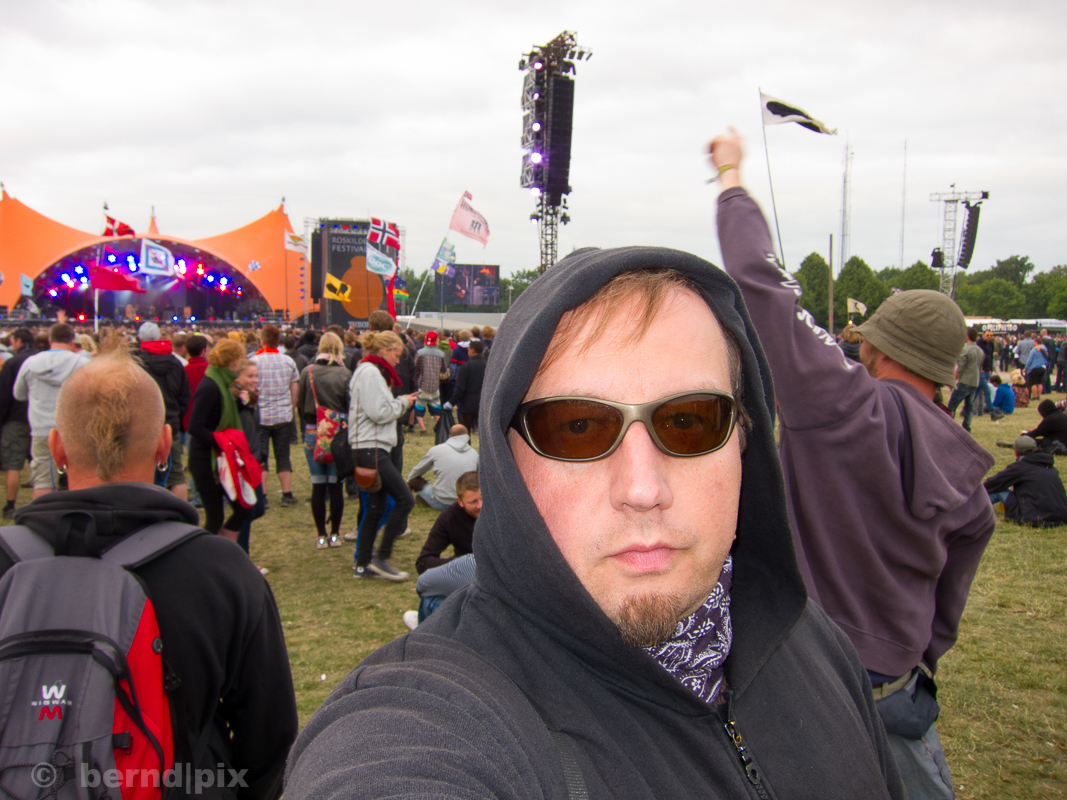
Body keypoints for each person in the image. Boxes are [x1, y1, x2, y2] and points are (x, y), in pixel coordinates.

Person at [286, 249, 905, 798]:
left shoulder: (814, 644)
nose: (643, 489)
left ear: (744, 440)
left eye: (689, 422)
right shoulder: (429, 723)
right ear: (504, 462)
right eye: (577, 428)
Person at [710, 128, 993, 800]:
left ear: (875, 347)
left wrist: (730, 177)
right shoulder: (969, 479)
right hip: (897, 691)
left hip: (803, 678)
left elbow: (759, 279)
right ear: (946, 370)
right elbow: (945, 614)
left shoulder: (840, 403)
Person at [3, 347, 297, 798]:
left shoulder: (7, 563)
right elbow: (269, 741)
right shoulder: (221, 570)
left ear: (57, 447)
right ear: (164, 445)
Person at [349, 330, 418, 580]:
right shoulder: (370, 373)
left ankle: (363, 563)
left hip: (370, 447)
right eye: (396, 356)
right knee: (405, 499)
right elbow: (379, 412)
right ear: (385, 351)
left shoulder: (367, 371)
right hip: (372, 447)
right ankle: (381, 557)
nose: (398, 361)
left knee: (376, 508)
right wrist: (403, 403)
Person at [187, 339, 258, 539]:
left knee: (243, 509)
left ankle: (223, 549)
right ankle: (209, 552)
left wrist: (243, 402)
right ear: (233, 361)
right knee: (215, 517)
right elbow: (195, 426)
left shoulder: (224, 383)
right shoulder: (211, 386)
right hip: (206, 460)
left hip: (220, 457)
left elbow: (222, 414)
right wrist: (222, 441)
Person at [13, 323, 91, 498]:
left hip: (42, 429)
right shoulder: (82, 363)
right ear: (72, 341)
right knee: (78, 478)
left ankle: (42, 515)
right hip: (74, 429)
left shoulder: (31, 363)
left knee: (43, 480)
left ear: (50, 339)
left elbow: (19, 394)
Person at [296, 332, 351, 549]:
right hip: (337, 433)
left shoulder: (307, 372)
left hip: (313, 430)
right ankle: (335, 534)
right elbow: (349, 405)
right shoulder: (345, 374)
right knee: (336, 486)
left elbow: (300, 403)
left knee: (318, 485)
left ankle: (321, 536)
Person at [133, 321, 191, 500]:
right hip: (169, 423)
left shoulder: (136, 363)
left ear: (140, 339)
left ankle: (150, 509)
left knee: (144, 473)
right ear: (159, 337)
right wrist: (176, 414)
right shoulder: (175, 362)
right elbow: (184, 395)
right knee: (176, 474)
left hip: (144, 424)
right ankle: (179, 513)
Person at [251, 324, 300, 507]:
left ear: (262, 341)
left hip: (261, 416)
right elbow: (294, 388)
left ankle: (262, 496)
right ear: (279, 340)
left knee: (261, 457)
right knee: (283, 455)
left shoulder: (254, 362)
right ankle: (287, 494)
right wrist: (291, 408)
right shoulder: (288, 362)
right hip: (282, 415)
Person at [985, 435, 1067, 526]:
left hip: (1033, 518)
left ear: (1016, 452)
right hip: (1061, 518)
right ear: (1036, 449)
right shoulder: (1050, 467)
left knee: (998, 491)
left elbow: (993, 483)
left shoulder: (1020, 467)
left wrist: (976, 491)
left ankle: (975, 507)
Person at [414, 470, 481, 574]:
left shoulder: (503, 510)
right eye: (473, 502)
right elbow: (423, 563)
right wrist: (463, 564)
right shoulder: (450, 517)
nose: (480, 505)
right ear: (460, 501)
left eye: (484, 498)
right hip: (469, 575)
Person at [0, 328, 36, 517]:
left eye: (13, 341)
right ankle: (39, 505)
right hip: (40, 419)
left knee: (13, 465)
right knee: (40, 465)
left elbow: (4, 396)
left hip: (16, 418)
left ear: (19, 341)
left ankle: (10, 506)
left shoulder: (12, 362)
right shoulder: (43, 360)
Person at [406, 424, 479, 511]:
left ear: (449, 436)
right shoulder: (475, 454)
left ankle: (424, 499)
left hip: (441, 502)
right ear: (467, 437)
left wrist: (409, 481)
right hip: (465, 503)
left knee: (414, 481)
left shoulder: (436, 450)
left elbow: (416, 472)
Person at [947, 327, 982, 432]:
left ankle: (949, 427)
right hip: (975, 381)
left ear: (967, 337)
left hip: (965, 381)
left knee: (952, 405)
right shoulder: (980, 350)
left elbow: (960, 368)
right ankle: (967, 427)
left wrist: (953, 380)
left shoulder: (965, 350)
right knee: (969, 407)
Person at [448, 338, 487, 431]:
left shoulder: (466, 366)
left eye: (468, 350)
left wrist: (452, 402)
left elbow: (460, 387)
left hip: (467, 404)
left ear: (473, 350)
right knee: (483, 432)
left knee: (465, 432)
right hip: (483, 404)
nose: (468, 352)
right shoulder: (487, 366)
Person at [412, 330, 446, 434]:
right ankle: (439, 427)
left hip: (422, 384)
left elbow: (415, 367)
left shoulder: (420, 353)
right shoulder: (441, 354)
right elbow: (444, 369)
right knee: (436, 407)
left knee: (419, 407)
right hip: (435, 385)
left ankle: (423, 429)